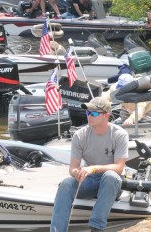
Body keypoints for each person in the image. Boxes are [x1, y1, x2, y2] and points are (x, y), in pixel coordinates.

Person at [50, 96, 128, 232]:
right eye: (88, 112)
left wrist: (92, 169)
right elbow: (73, 169)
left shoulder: (120, 134)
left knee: (110, 176)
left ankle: (96, 227)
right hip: (89, 181)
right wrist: (78, 173)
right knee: (67, 183)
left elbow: (119, 168)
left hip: (111, 182)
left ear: (106, 115)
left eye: (94, 113)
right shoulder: (80, 135)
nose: (89, 116)